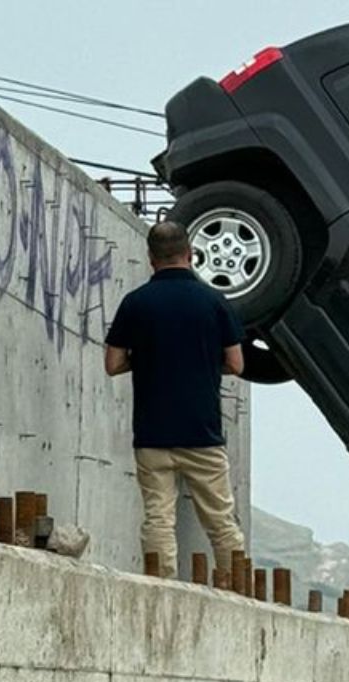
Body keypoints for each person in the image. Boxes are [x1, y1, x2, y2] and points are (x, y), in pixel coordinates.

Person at [104, 221, 247, 579]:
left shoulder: (135, 302)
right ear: (191, 254)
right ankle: (236, 590)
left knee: (157, 517)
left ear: (151, 258)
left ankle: (161, 590)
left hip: (152, 434)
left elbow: (113, 363)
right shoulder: (214, 301)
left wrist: (150, 357)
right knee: (220, 521)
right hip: (202, 433)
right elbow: (236, 363)